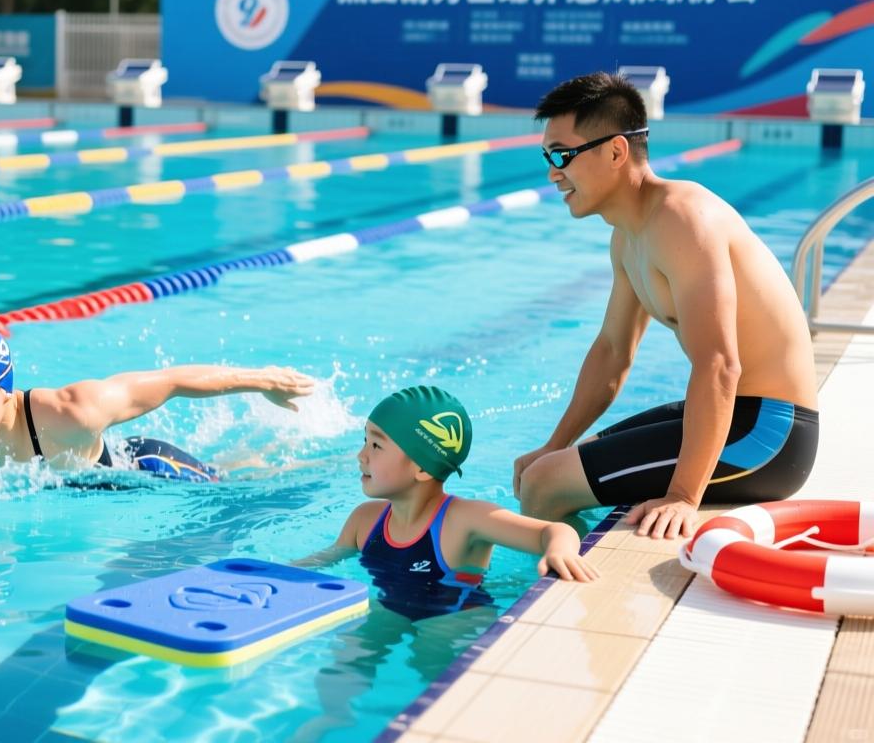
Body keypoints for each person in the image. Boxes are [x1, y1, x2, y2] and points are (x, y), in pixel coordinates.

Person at [513, 71, 819, 540]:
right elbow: (612, 354)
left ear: (616, 151)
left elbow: (719, 364)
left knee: (545, 484)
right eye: (547, 156)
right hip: (736, 416)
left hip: (769, 434)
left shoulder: (682, 219)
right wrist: (554, 444)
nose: (553, 172)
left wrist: (683, 495)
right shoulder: (628, 237)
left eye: (562, 155)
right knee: (546, 469)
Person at [297, 385, 597, 620]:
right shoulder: (364, 521)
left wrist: (560, 550)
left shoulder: (464, 519)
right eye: (365, 440)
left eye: (376, 445)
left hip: (456, 614)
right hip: (391, 608)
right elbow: (318, 563)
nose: (361, 455)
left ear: (423, 467)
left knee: (435, 648)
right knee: (353, 652)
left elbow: (554, 531)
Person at [0, 321, 316, 482]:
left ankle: (302, 461)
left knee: (238, 481)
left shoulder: (70, 412)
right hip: (67, 483)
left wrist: (262, 380)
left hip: (141, 470)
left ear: (5, 393)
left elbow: (169, 382)